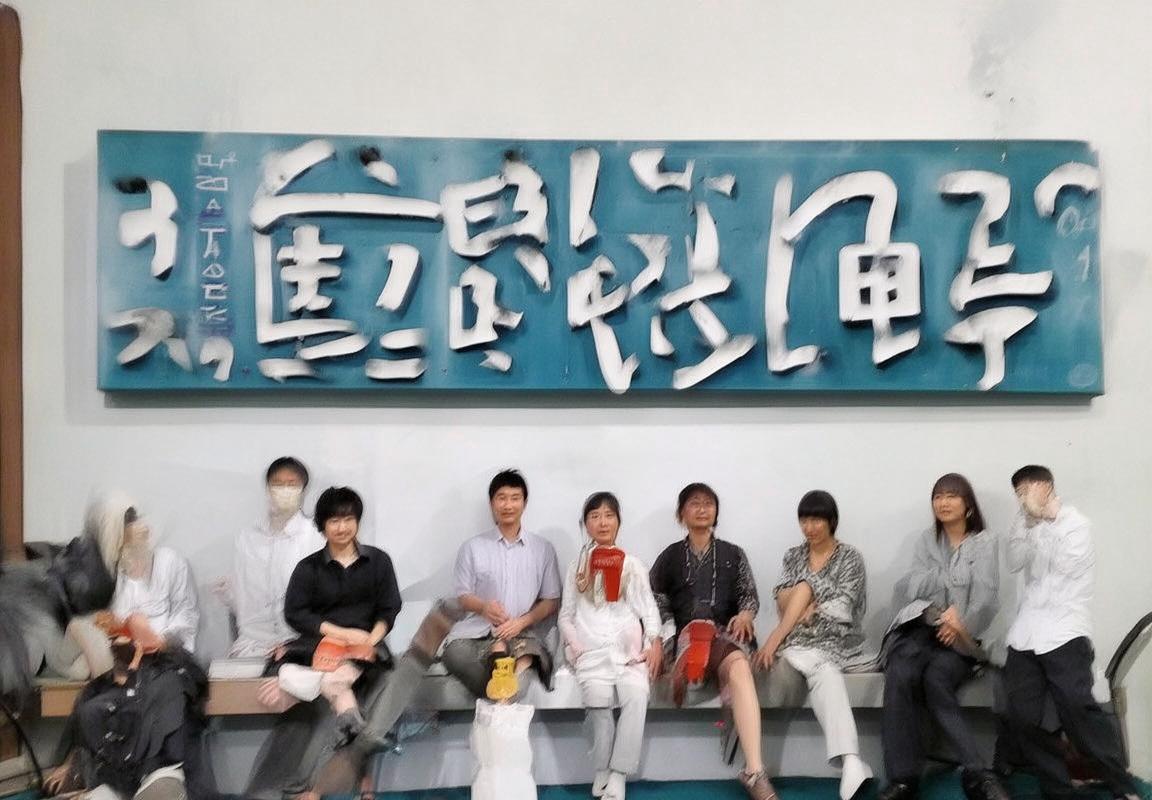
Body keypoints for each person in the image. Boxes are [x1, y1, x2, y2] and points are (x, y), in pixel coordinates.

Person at [43, 496, 213, 800]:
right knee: (97, 700)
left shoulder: (169, 562)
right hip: (118, 664)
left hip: (164, 660)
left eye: (137, 520)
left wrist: (159, 642)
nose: (139, 528)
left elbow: (186, 617)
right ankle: (98, 778)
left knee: (161, 697)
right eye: (127, 525)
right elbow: (100, 627)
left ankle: (158, 775)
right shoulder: (106, 578)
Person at [1001, 465, 1139, 800]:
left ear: (1046, 486)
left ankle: (1121, 784)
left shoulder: (1076, 524)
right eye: (1019, 493)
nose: (1023, 497)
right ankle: (1058, 789)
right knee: (1021, 716)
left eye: (1028, 489)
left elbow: (1066, 567)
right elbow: (1014, 561)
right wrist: (1028, 524)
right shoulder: (1022, 523)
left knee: (1078, 710)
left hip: (1066, 631)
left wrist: (1047, 521)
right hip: (1025, 634)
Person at [877, 474, 1007, 800]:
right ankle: (902, 779)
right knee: (900, 671)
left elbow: (986, 598)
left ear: (968, 505)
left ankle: (978, 773)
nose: (943, 502)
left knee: (936, 678)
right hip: (923, 629)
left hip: (961, 639)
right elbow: (911, 586)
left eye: (951, 496)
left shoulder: (985, 543)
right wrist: (943, 606)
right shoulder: (926, 541)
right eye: (938, 496)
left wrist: (959, 623)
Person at [649, 482, 774, 800]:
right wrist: (664, 637)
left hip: (726, 635)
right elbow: (656, 602)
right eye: (694, 503)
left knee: (739, 665)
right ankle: (688, 656)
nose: (702, 509)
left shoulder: (734, 554)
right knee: (700, 641)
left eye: (708, 503)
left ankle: (754, 771)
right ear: (681, 514)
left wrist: (745, 614)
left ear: (716, 512)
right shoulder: (669, 557)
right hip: (683, 635)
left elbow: (749, 596)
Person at [261, 486, 402, 752]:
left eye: (348, 519)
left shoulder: (378, 561)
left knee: (330, 679)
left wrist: (369, 641)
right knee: (330, 678)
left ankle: (340, 718)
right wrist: (343, 635)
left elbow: (390, 607)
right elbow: (296, 613)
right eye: (334, 520)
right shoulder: (308, 568)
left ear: (357, 521)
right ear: (322, 526)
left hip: (366, 649)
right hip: (320, 646)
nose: (342, 527)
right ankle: (358, 730)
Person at [754, 490, 871, 800]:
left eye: (817, 520)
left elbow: (845, 606)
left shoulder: (850, 557)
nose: (810, 527)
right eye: (804, 520)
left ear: (831, 521)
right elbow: (781, 599)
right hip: (797, 643)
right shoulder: (793, 555)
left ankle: (852, 763)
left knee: (823, 665)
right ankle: (851, 761)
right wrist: (804, 599)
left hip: (836, 641)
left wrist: (807, 603)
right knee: (824, 670)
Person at [558, 492, 663, 800]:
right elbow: (565, 615)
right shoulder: (577, 568)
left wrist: (651, 642)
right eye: (595, 516)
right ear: (585, 524)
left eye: (609, 515)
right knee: (598, 704)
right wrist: (576, 646)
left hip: (628, 654)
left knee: (637, 696)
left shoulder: (632, 564)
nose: (602, 523)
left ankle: (619, 774)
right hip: (590, 652)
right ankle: (602, 768)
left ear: (618, 521)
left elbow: (649, 609)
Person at [441, 469, 562, 702]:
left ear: (524, 503)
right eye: (502, 498)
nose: (508, 505)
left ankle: (503, 682)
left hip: (521, 635)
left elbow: (551, 601)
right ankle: (502, 685)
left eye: (515, 498)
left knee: (522, 676)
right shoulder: (472, 547)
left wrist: (521, 622)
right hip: (475, 635)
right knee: (454, 655)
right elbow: (463, 595)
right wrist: (483, 607)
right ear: (492, 503)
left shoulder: (542, 549)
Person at [225, 456, 318, 659]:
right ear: (268, 488)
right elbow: (240, 595)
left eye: (292, 484)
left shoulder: (316, 536)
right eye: (278, 484)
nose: (284, 490)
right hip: (253, 642)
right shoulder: (248, 538)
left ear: (303, 490)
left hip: (302, 640)